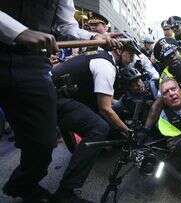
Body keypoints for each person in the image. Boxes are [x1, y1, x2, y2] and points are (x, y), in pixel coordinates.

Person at [0, 0, 120, 202]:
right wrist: (18, 32)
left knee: (44, 143)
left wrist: (93, 37)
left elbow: (65, 25)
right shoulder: (105, 66)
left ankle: (22, 185)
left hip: (32, 64)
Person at [51, 42, 138, 202]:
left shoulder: (98, 56)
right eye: (130, 54)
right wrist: (127, 131)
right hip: (54, 99)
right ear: (118, 49)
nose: (131, 59)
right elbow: (105, 109)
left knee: (101, 117)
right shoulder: (106, 65)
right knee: (98, 128)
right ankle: (65, 192)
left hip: (57, 95)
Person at [113, 67, 160, 144]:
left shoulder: (153, 86)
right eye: (134, 83)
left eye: (139, 80)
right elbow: (113, 113)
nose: (138, 84)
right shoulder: (125, 100)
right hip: (145, 132)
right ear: (127, 88)